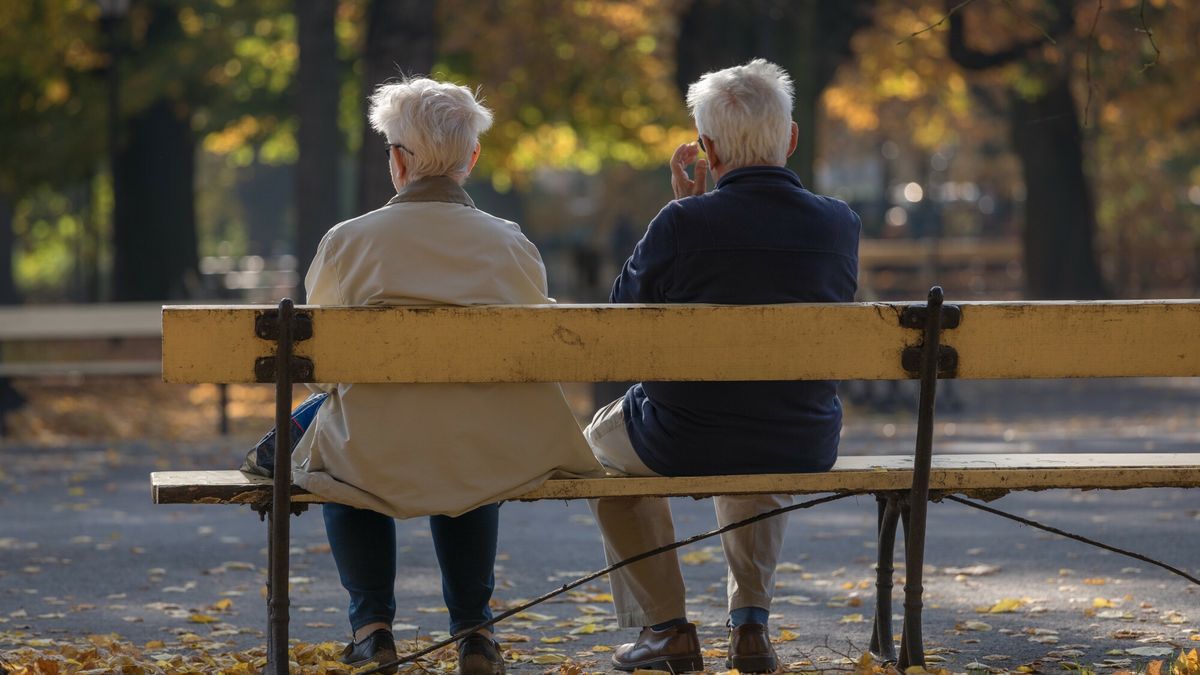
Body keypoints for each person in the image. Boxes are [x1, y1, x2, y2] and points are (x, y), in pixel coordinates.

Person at [283, 76, 603, 675]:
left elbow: (320, 369)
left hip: (373, 448)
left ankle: (373, 628)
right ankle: (475, 631)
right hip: (482, 449)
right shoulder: (510, 245)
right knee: (463, 434)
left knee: (342, 447)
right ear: (472, 157)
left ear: (398, 161)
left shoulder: (349, 242)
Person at [585, 59, 861, 673]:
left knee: (597, 453)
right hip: (800, 436)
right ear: (790, 140)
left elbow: (615, 327)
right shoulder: (839, 225)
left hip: (680, 438)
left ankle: (666, 629)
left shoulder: (681, 223)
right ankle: (751, 627)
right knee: (756, 424)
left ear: (706, 148)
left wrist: (684, 209)